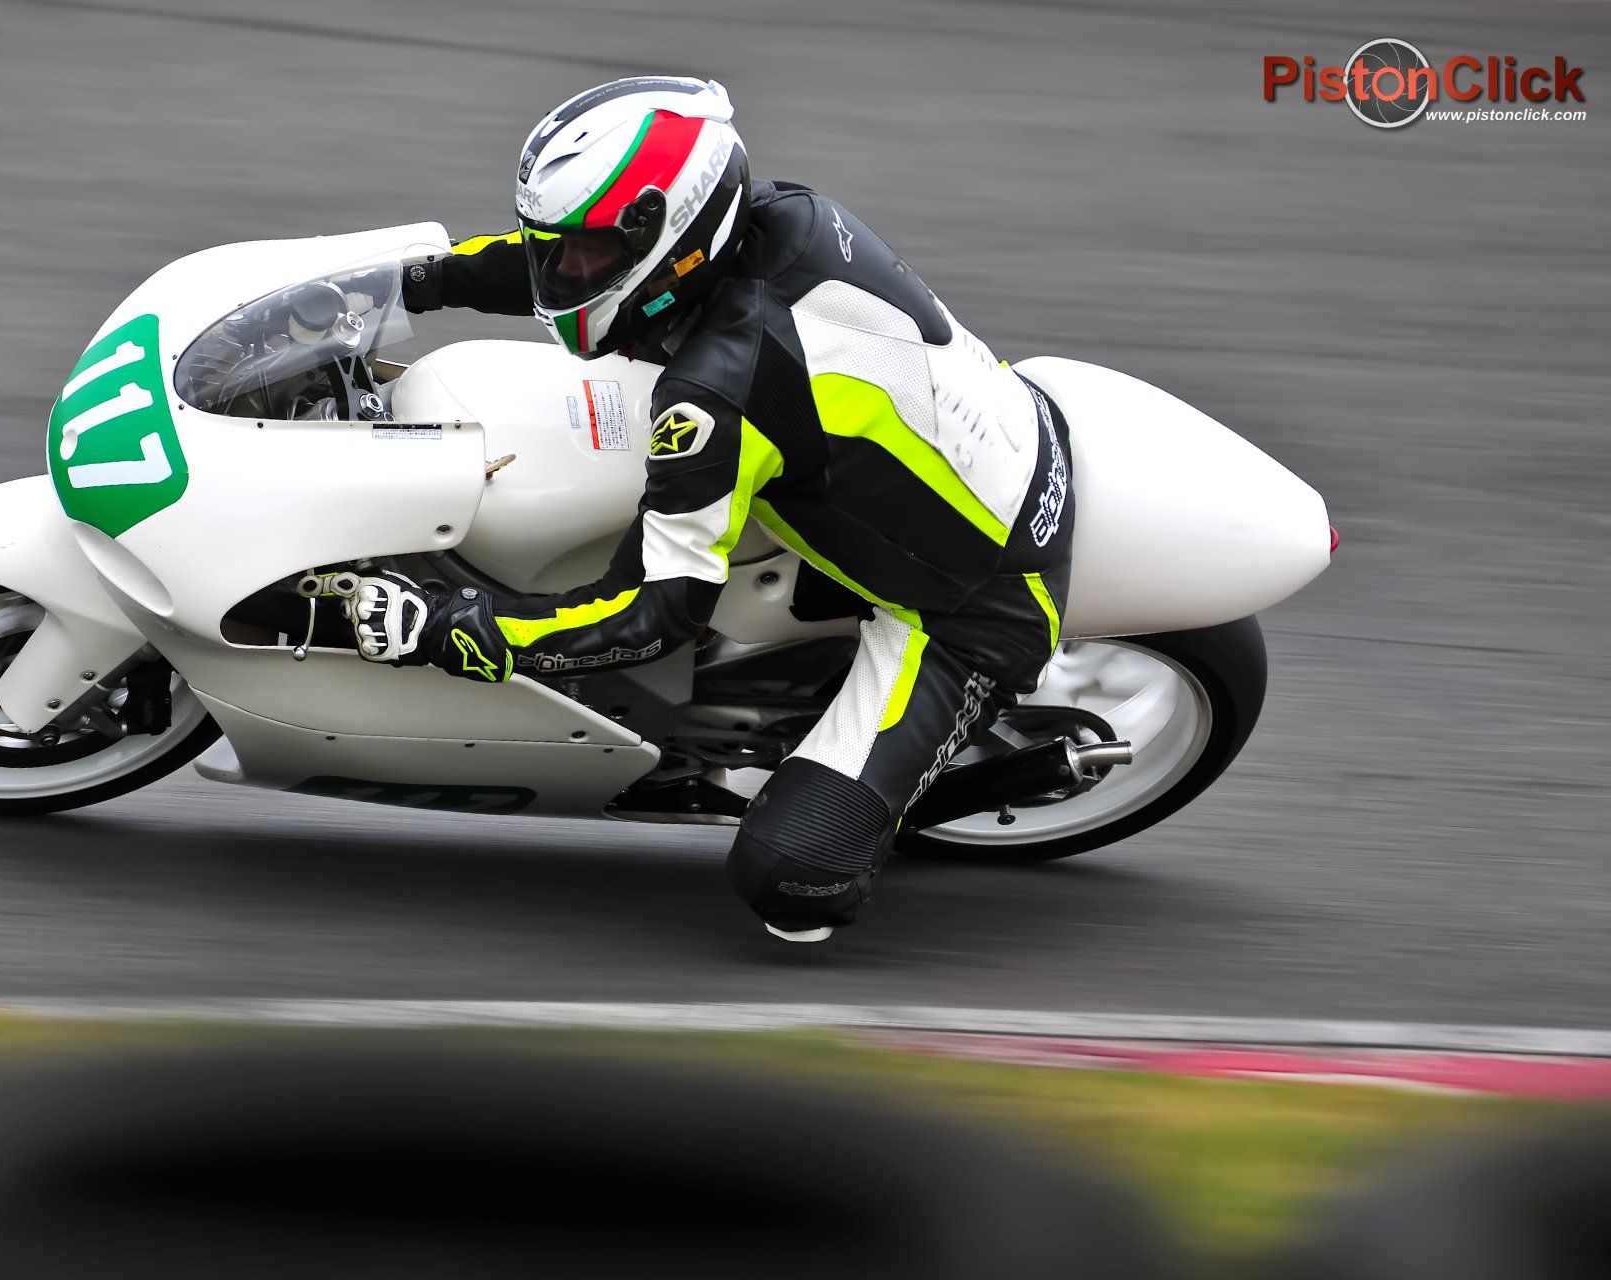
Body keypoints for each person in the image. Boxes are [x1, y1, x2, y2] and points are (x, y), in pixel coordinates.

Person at [343, 76, 1074, 942]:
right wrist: (405, 283)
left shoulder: (715, 398)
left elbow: (649, 618)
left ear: (672, 235)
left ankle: (926, 796)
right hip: (974, 437)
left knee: (787, 880)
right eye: (558, 248)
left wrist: (459, 629)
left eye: (585, 253)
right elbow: (551, 261)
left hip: (970, 602)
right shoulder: (776, 215)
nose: (562, 272)